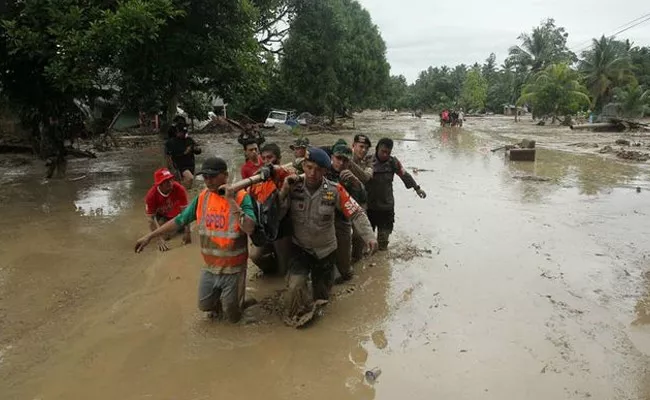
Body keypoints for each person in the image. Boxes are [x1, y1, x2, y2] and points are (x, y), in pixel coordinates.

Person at [135, 157, 257, 323]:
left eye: (212, 176)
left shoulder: (242, 197)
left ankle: (239, 304)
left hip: (233, 269)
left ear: (225, 176)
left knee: (232, 318)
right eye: (205, 177)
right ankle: (234, 301)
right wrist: (150, 236)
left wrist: (230, 200)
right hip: (210, 267)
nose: (208, 181)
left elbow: (250, 228)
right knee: (205, 306)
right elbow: (179, 220)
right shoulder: (203, 198)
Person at [279, 147, 377, 325]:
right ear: (304, 166)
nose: (312, 173)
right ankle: (291, 321)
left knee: (322, 297)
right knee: (294, 287)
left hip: (325, 251)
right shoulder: (292, 187)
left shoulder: (335, 190)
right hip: (300, 248)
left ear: (325, 171)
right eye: (309, 167)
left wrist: (369, 237)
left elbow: (356, 213)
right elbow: (275, 213)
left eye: (317, 170)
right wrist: (283, 191)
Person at [366, 138, 426, 251]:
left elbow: (405, 175)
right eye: (382, 151)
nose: (385, 155)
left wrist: (417, 188)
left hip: (386, 208)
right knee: (366, 242)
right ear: (377, 149)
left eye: (388, 153)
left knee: (383, 243)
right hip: (369, 207)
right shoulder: (368, 161)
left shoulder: (393, 162)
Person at [247, 143, 293, 275]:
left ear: (278, 158)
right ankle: (270, 273)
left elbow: (281, 205)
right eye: (264, 158)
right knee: (255, 256)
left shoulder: (287, 175)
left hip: (283, 225)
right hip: (265, 224)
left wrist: (276, 173)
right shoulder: (259, 177)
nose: (267, 161)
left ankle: (282, 279)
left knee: (284, 264)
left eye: (270, 157)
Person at [327, 140, 368, 283]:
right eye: (339, 158)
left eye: (345, 160)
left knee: (346, 273)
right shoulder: (322, 172)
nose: (341, 163)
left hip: (342, 221)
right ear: (332, 158)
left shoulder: (351, 177)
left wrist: (357, 183)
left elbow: (362, 200)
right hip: (323, 221)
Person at [144, 167, 191, 251]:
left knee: (181, 229)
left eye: (170, 179)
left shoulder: (179, 188)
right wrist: (159, 239)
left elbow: (186, 211)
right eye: (166, 181)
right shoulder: (151, 196)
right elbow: (151, 218)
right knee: (164, 236)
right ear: (159, 184)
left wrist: (188, 232)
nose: (170, 183)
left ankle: (178, 228)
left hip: (177, 214)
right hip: (162, 215)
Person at [165, 121, 201, 189]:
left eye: (185, 132)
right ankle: (183, 193)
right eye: (182, 132)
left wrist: (196, 149)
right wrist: (184, 152)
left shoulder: (189, 140)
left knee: (186, 183)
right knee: (190, 178)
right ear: (177, 132)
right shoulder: (171, 142)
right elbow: (168, 156)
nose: (184, 134)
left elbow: (198, 151)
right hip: (179, 166)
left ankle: (184, 195)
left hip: (191, 165)